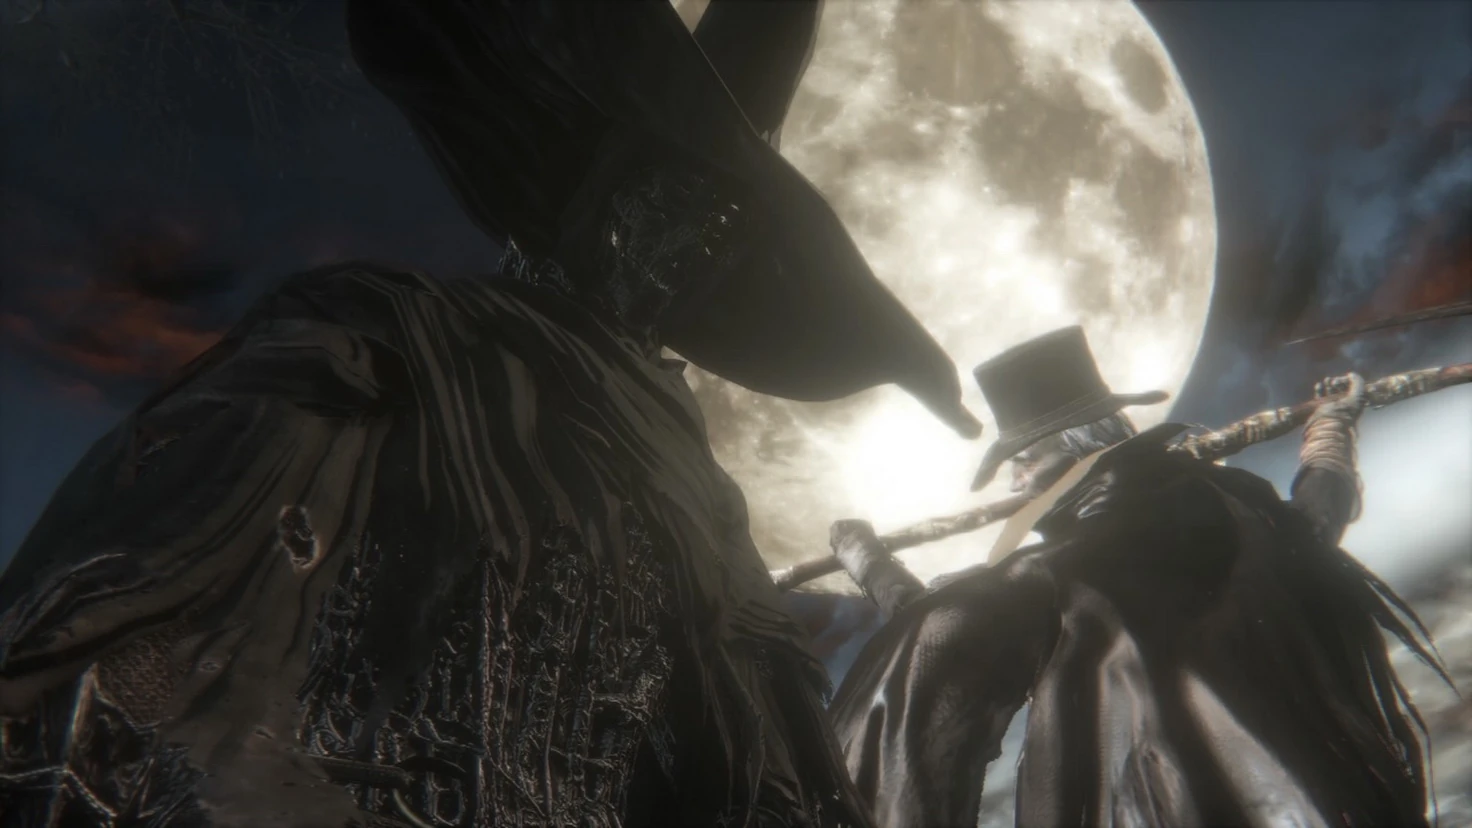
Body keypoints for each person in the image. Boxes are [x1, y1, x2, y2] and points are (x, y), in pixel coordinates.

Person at [0, 2, 981, 826]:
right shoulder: (405, 326)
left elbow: (756, 716)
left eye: (720, 240)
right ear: (599, 192)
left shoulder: (689, 473)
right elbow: (180, 519)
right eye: (672, 203)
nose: (686, 252)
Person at [827, 325, 1447, 828]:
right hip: (1339, 800)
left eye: (1025, 461)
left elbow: (940, 633)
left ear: (1078, 449)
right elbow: (1318, 511)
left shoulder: (1059, 571)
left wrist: (868, 563)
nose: (1017, 484)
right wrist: (1333, 423)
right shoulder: (1241, 506)